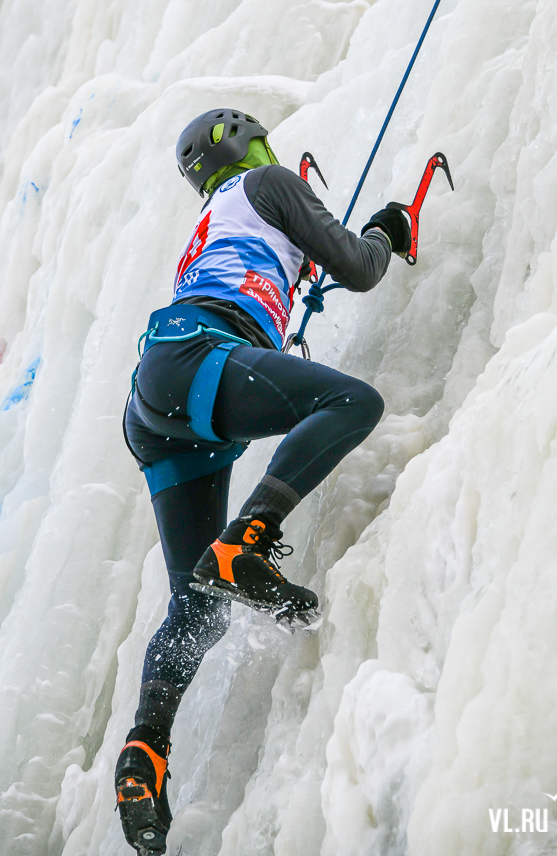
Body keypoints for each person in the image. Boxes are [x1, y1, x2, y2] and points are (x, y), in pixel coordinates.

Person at [115, 108, 411, 853]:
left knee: (200, 608)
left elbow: (259, 280)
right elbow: (359, 267)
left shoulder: (215, 222)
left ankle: (145, 749)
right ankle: (248, 539)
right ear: (249, 145)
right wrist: (386, 231)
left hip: (158, 397)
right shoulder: (271, 183)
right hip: (203, 357)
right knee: (350, 401)